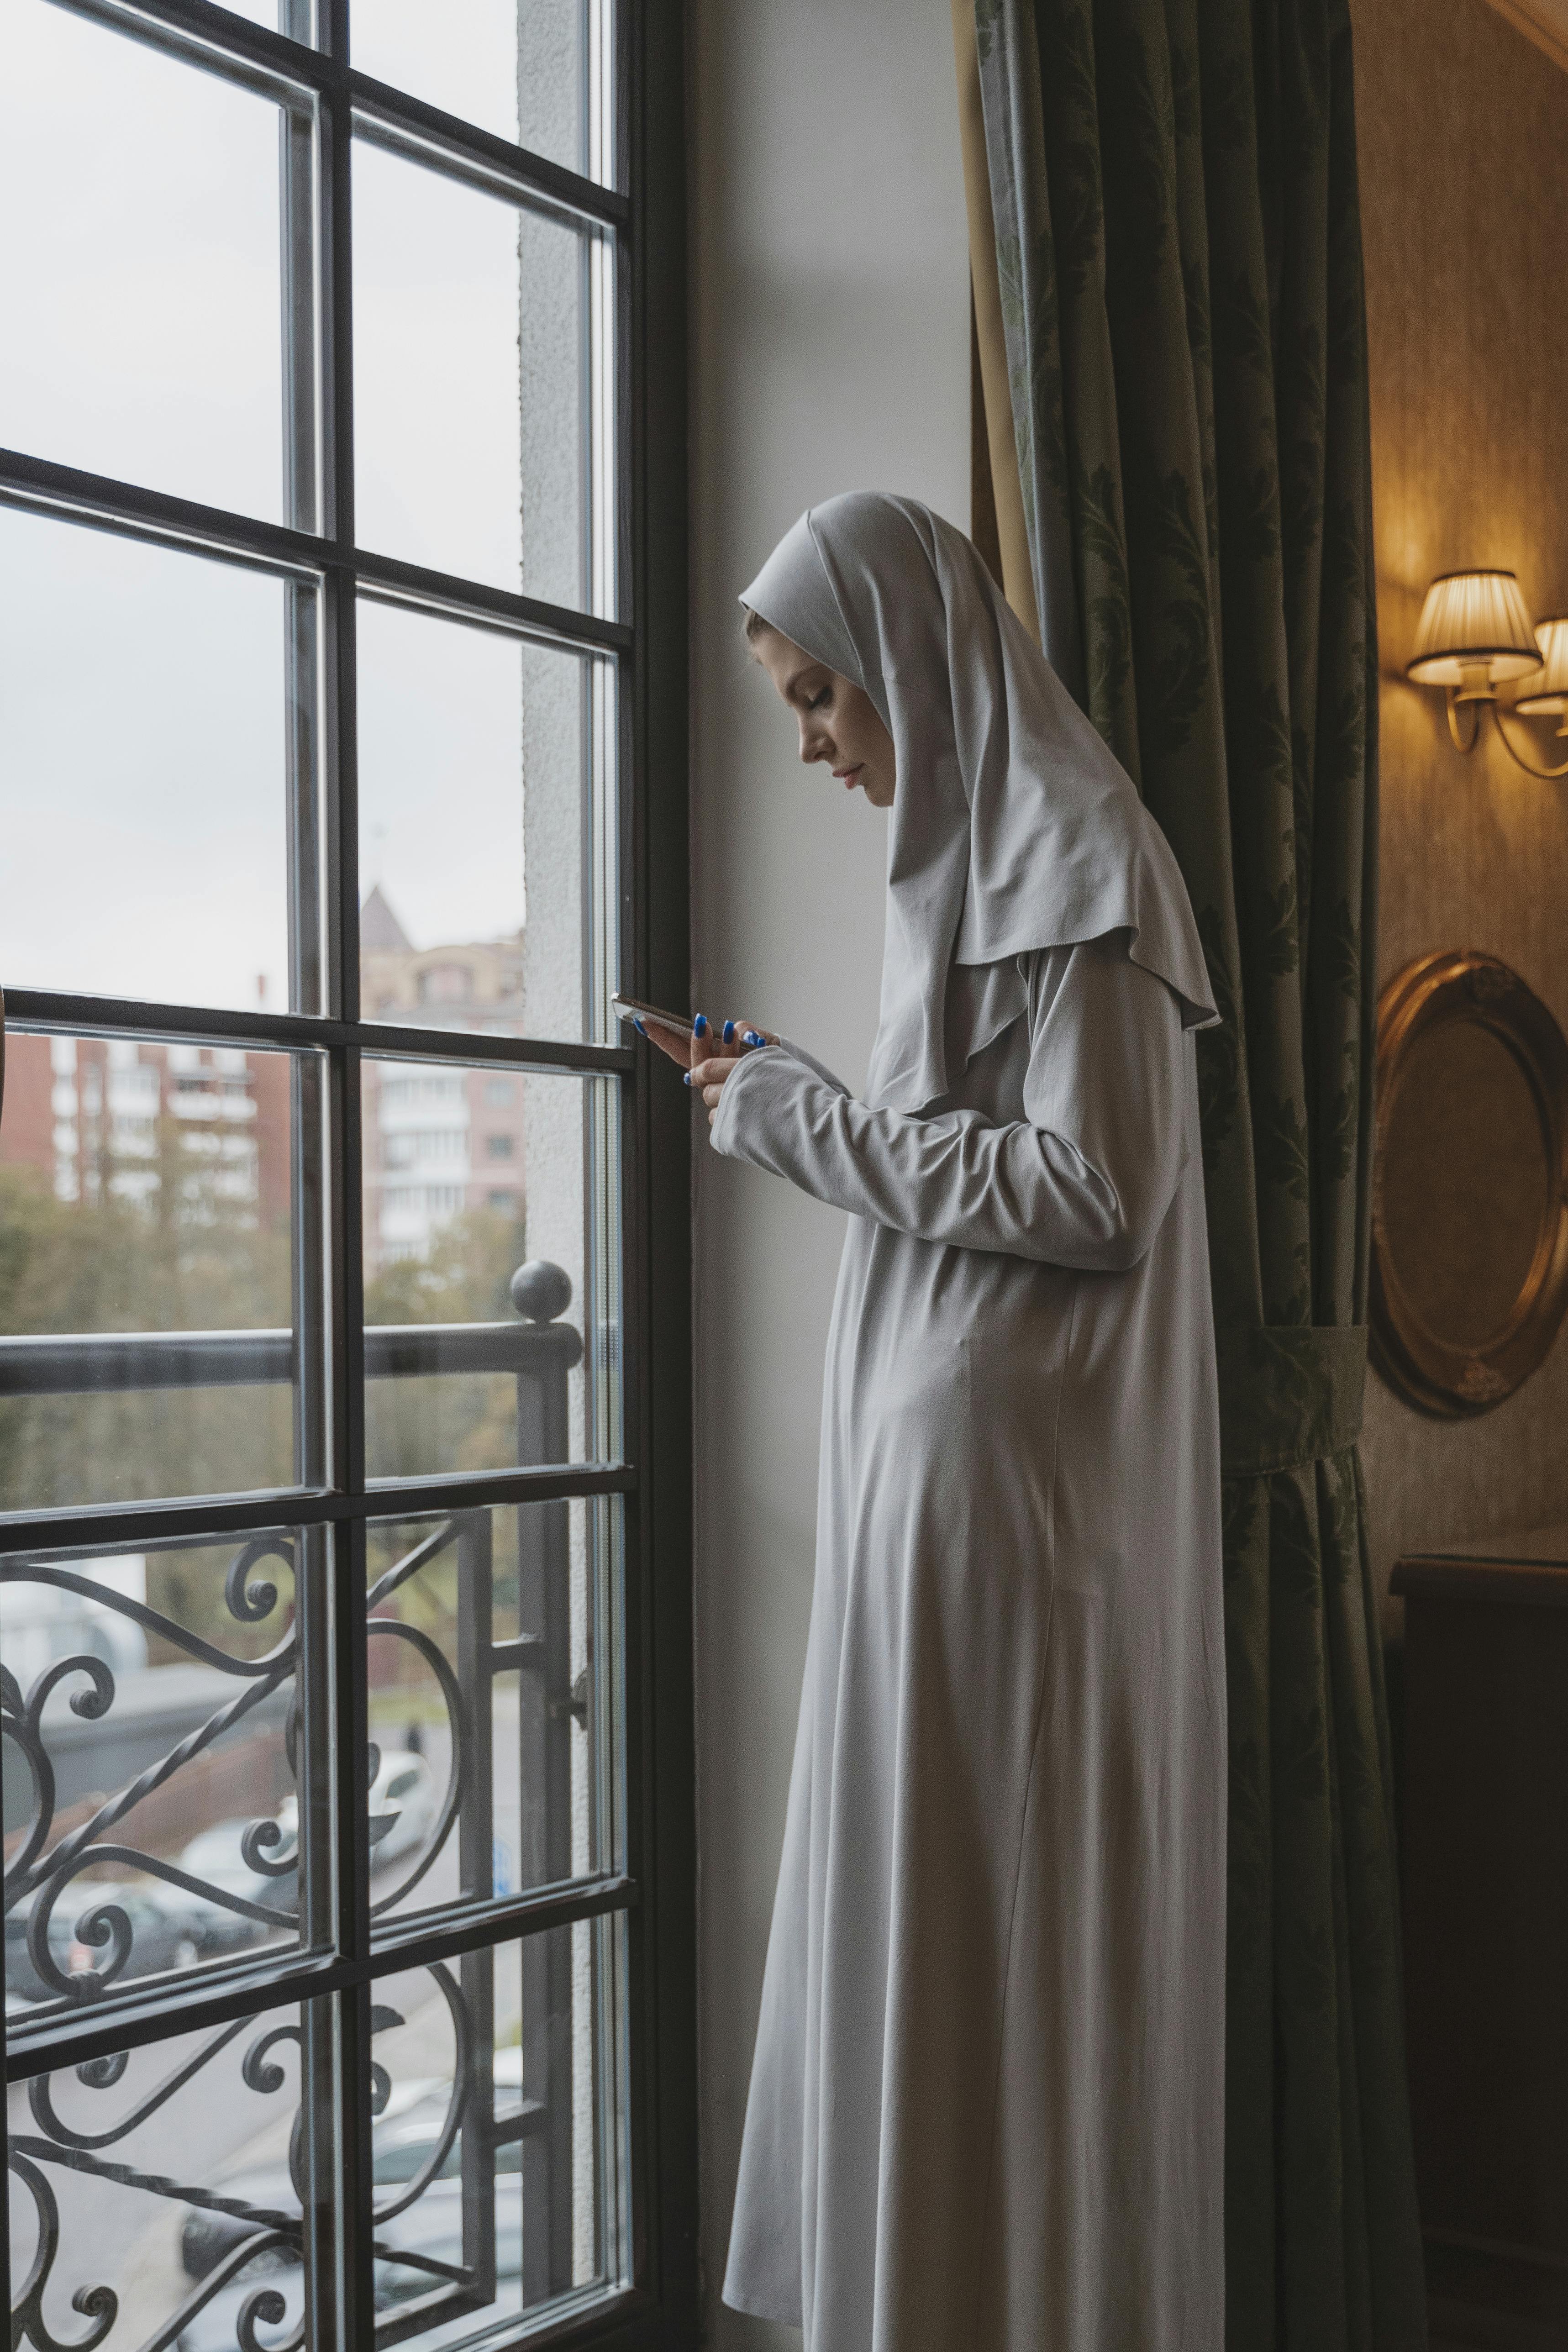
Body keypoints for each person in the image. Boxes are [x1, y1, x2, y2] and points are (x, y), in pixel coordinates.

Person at [677, 493, 1226, 2349]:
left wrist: (801, 1120)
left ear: (912, 653)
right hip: (955, 1498)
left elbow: (1097, 1190)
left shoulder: (1084, 854)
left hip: (1016, 1513)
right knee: (932, 1932)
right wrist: (800, 1106)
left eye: (823, 696)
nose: (818, 746)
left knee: (1002, 1936)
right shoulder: (976, 871)